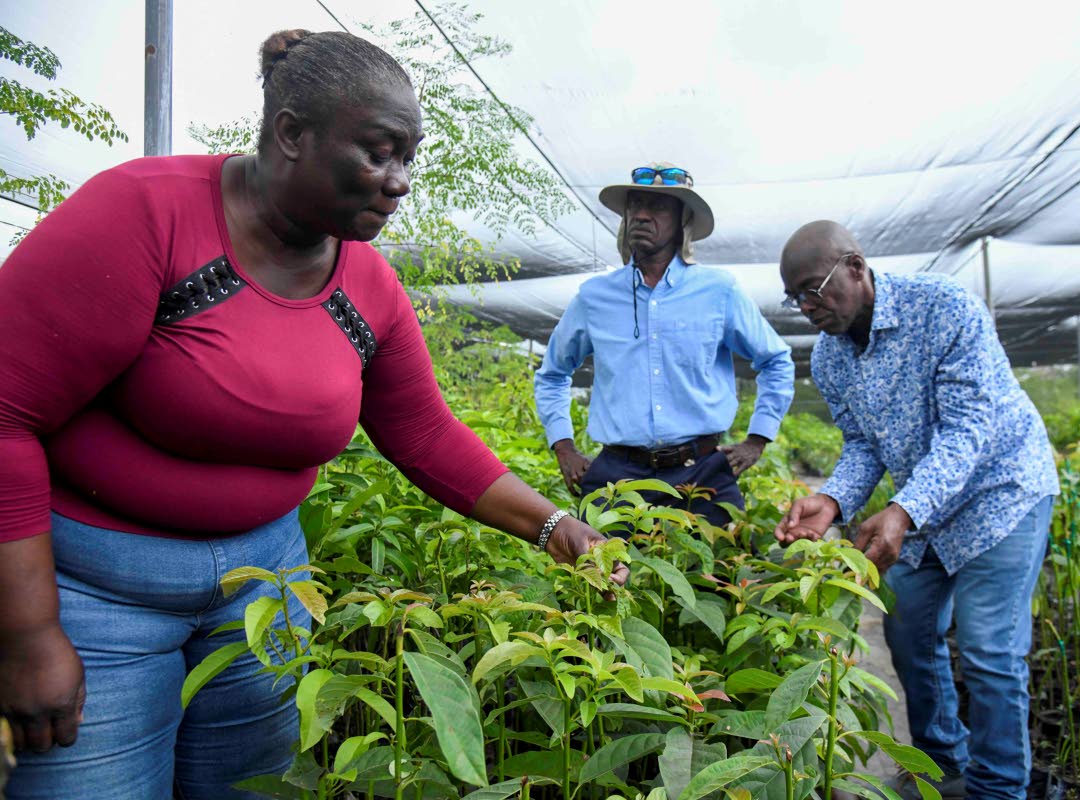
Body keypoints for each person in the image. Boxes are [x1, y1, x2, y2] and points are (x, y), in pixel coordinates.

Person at [0, 30, 626, 800]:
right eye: (378, 153)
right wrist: (27, 634)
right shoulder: (145, 215)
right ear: (292, 133)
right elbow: (5, 415)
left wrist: (555, 527)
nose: (398, 182)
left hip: (266, 595)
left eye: (408, 159)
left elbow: (423, 432)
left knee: (252, 787)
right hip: (97, 595)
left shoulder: (366, 284)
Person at [774, 221, 1058, 799]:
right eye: (795, 297)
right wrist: (831, 501)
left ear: (855, 267)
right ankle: (940, 770)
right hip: (926, 508)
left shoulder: (945, 308)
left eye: (814, 288)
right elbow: (862, 444)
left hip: (1001, 492)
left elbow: (969, 428)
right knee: (906, 628)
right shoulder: (830, 357)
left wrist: (904, 510)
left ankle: (999, 789)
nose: (807, 307)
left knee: (987, 651)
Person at [534, 164, 795, 526]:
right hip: (617, 478)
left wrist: (758, 438)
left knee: (713, 579)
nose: (641, 215)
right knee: (604, 577)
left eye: (658, 207)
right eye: (635, 205)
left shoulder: (719, 292)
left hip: (701, 474)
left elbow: (776, 359)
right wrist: (563, 446)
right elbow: (552, 374)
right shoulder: (595, 298)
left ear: (682, 220)